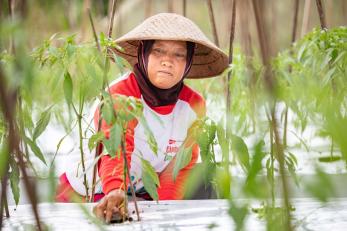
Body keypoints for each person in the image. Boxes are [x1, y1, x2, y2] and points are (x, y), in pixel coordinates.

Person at [56, 13, 228, 223]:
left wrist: (165, 214)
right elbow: (115, 152)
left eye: (179, 55)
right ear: (143, 53)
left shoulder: (193, 105)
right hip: (93, 192)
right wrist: (115, 191)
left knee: (205, 177)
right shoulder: (120, 95)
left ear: (189, 61)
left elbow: (177, 170)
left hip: (140, 193)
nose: (167, 61)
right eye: (158, 51)